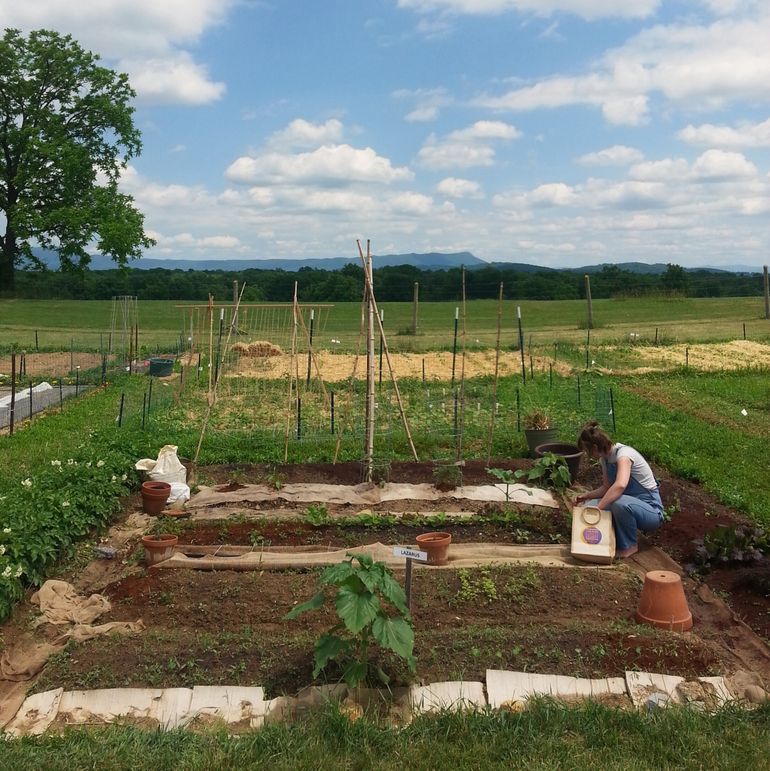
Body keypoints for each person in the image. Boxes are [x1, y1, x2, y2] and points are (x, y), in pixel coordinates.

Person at [574, 421, 664, 558]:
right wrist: (587, 496)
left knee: (618, 503)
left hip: (650, 511)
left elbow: (620, 485)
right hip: (628, 503)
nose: (588, 455)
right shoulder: (605, 459)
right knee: (587, 508)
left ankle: (629, 546)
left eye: (587, 451)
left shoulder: (624, 456)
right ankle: (603, 540)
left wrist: (600, 507)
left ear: (595, 447)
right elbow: (607, 488)